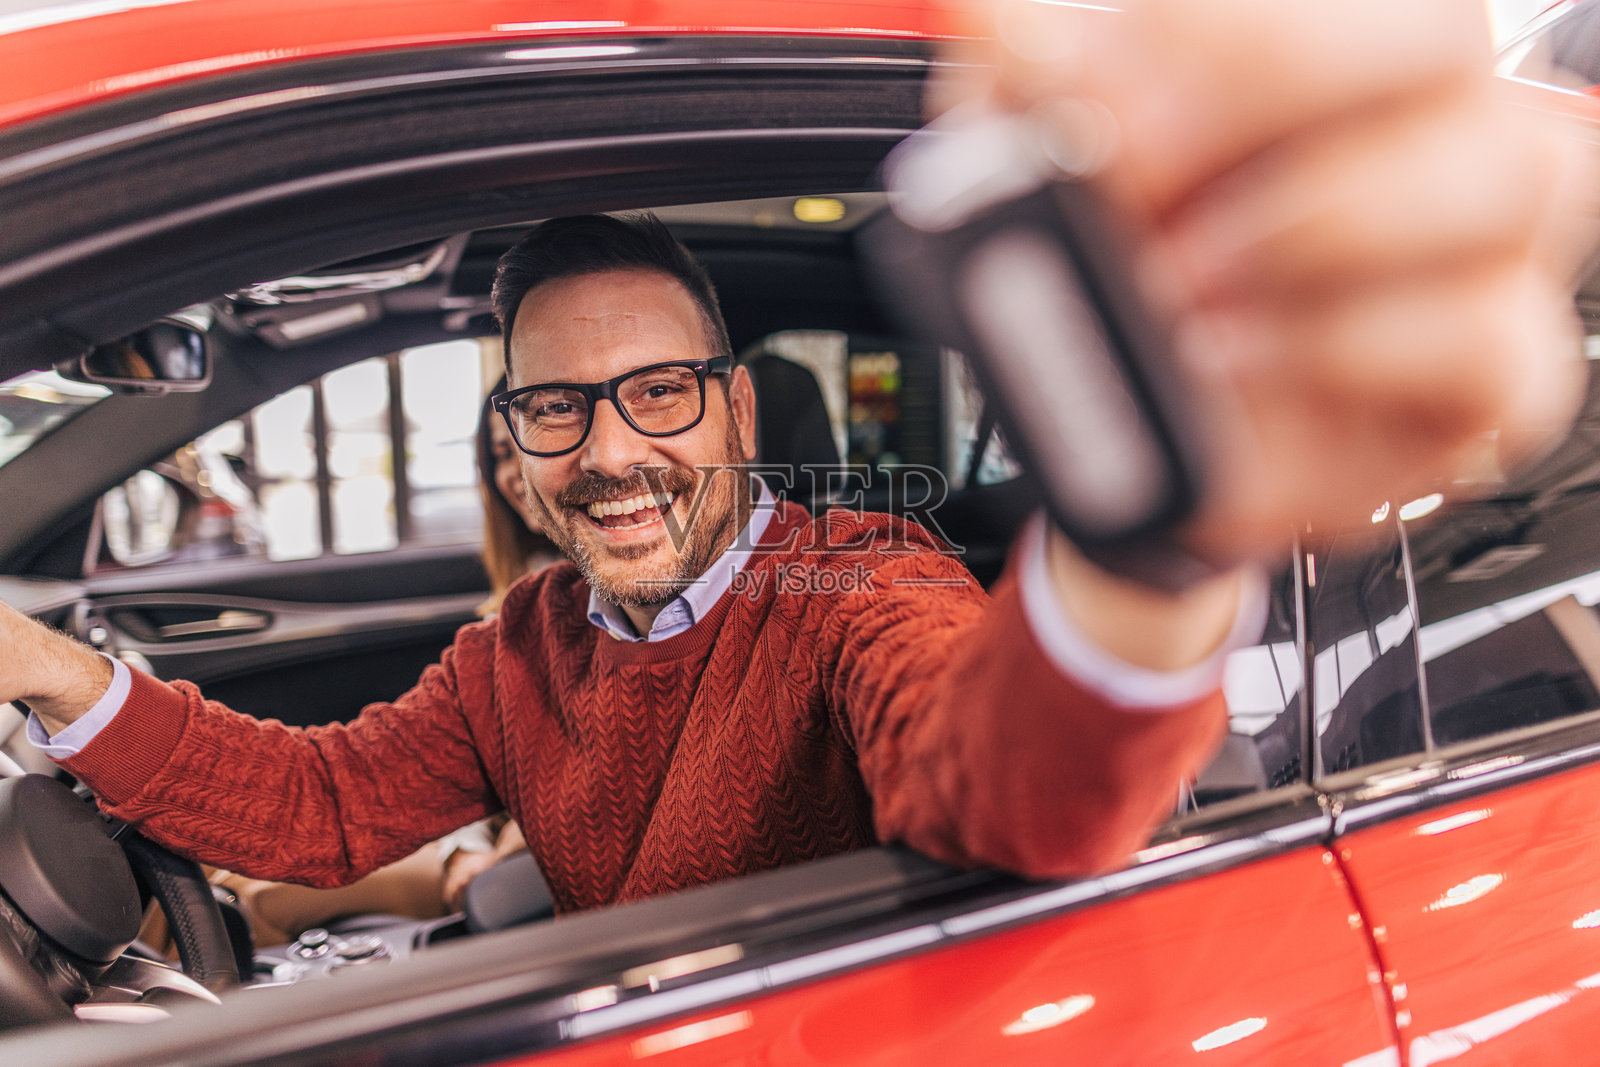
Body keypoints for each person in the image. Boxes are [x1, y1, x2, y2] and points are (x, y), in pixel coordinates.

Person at [0, 1, 1589, 910]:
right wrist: (44, 672)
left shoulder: (853, 589)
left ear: (742, 412)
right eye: (555, 408)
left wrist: (1148, 542)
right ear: (512, 446)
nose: (610, 454)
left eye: (660, 395)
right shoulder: (525, 648)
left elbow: (1011, 788)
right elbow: (322, 804)